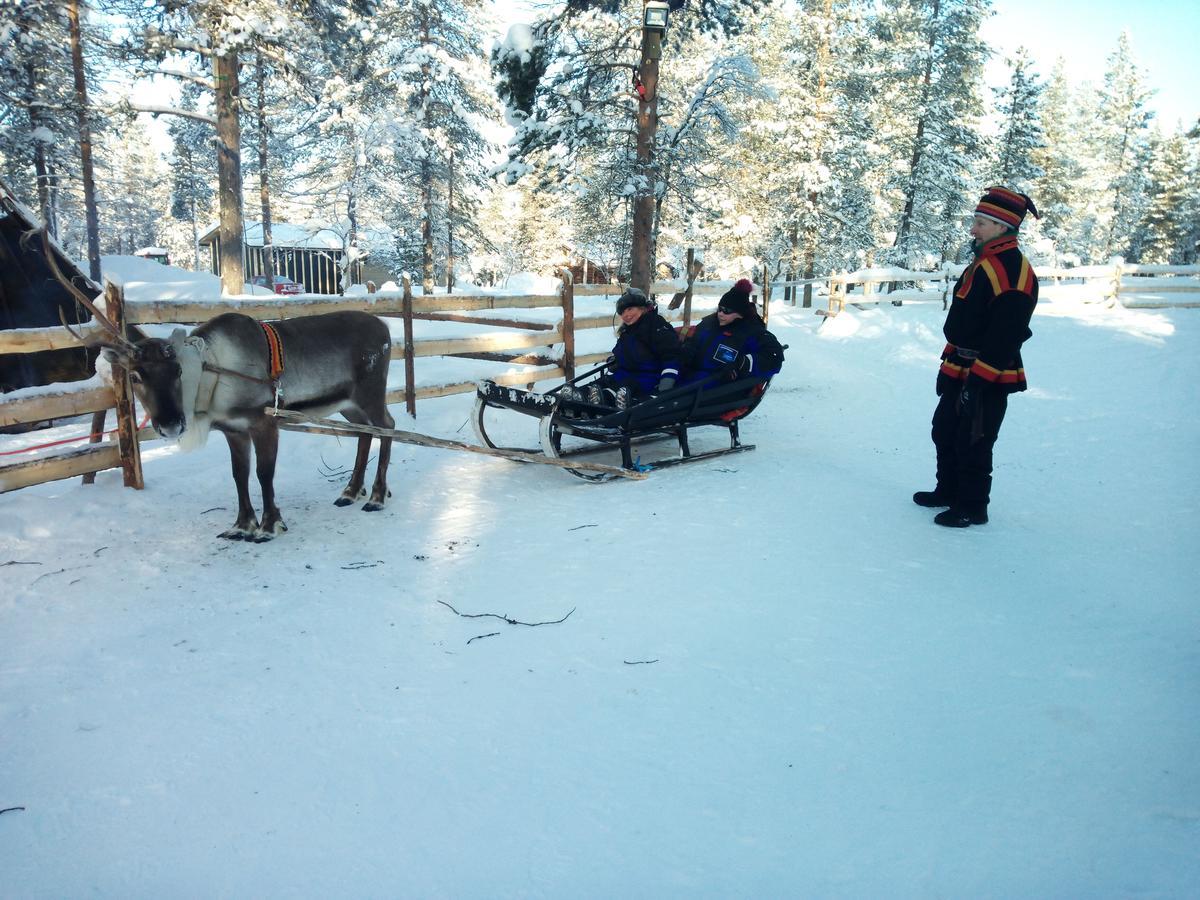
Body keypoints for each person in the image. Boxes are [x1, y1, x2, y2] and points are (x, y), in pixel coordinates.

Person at [914, 186, 1040, 528]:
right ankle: (949, 490)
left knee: (975, 437)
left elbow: (1006, 336)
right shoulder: (986, 262)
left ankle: (972, 506)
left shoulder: (1012, 271)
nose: (973, 229)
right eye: (976, 221)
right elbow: (966, 322)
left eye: (981, 223)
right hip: (961, 364)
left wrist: (979, 383)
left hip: (989, 370)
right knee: (945, 429)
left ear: (1003, 227)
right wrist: (948, 365)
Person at [564, 287, 682, 409]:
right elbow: (621, 351)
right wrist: (614, 360)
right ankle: (577, 396)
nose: (626, 315)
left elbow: (671, 354)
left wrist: (667, 382)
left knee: (619, 389)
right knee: (601, 383)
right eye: (622, 313)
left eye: (630, 309)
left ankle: (600, 401)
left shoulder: (656, 324)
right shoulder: (627, 331)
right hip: (624, 374)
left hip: (647, 377)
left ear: (642, 308)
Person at [679, 278, 784, 385]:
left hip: (720, 386)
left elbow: (774, 357)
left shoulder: (752, 332)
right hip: (692, 377)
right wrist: (685, 352)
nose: (721, 313)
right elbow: (693, 343)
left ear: (740, 313)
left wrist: (742, 363)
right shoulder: (708, 324)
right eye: (720, 309)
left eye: (727, 311)